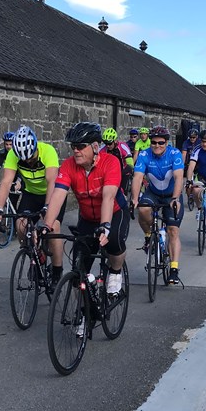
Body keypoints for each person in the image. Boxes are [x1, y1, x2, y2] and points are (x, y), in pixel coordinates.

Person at [41, 122, 129, 296]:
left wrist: (105, 225)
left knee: (114, 241)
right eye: (73, 146)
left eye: (81, 146)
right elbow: (58, 195)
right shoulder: (68, 165)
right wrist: (46, 225)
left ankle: (116, 273)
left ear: (95, 147)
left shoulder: (110, 162)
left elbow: (108, 197)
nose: (76, 150)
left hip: (115, 212)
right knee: (78, 270)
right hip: (87, 218)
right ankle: (83, 313)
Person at [0, 125, 65, 286]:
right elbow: (6, 181)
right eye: (23, 159)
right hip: (31, 194)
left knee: (53, 227)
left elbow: (52, 181)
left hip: (52, 193)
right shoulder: (13, 155)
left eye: (30, 158)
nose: (27, 162)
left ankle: (58, 270)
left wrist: (47, 207)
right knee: (21, 225)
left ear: (35, 147)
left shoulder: (48, 151)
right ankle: (36, 256)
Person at [130, 125, 185, 284]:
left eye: (161, 143)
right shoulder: (144, 154)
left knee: (173, 230)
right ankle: (148, 237)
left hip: (171, 195)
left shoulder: (174, 154)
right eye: (154, 142)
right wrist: (134, 198)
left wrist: (175, 198)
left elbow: (178, 177)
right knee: (143, 209)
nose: (157, 146)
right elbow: (137, 177)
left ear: (167, 143)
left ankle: (174, 269)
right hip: (153, 193)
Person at [103, 126, 134, 195]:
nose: (107, 146)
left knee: (123, 192)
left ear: (115, 141)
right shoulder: (103, 149)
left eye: (109, 143)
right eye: (105, 143)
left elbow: (130, 164)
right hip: (111, 173)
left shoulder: (122, 146)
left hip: (123, 171)